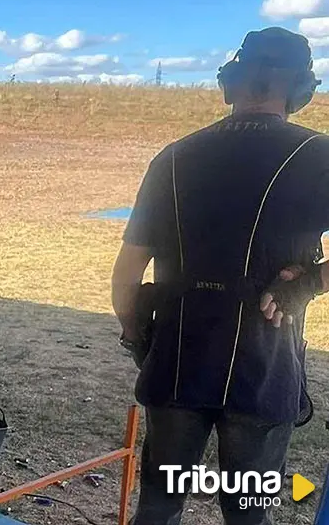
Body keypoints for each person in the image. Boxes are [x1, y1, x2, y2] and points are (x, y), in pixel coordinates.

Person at [112, 27, 329, 525]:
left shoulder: (173, 157)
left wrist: (135, 338)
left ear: (231, 82)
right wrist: (308, 283)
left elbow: (126, 274)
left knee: (159, 507)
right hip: (265, 366)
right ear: (299, 90)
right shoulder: (320, 157)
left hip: (178, 362)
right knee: (249, 512)